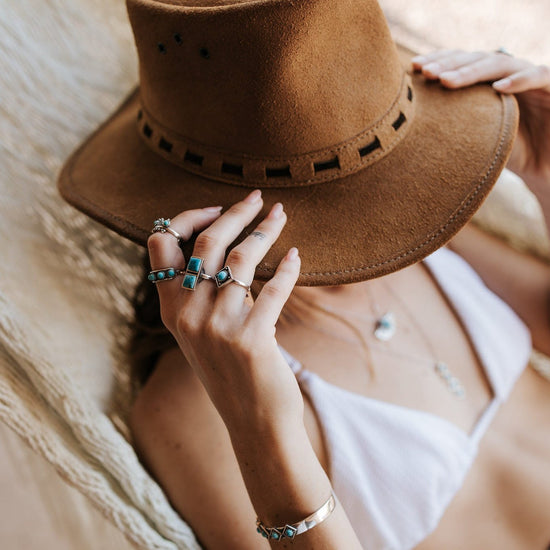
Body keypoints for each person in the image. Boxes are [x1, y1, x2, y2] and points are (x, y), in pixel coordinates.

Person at [57, 1, 550, 548]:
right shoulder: (189, 405)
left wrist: (547, 178)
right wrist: (259, 428)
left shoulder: (408, 226)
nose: (379, 179)